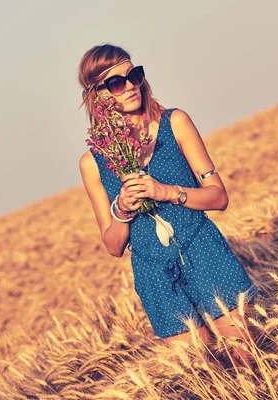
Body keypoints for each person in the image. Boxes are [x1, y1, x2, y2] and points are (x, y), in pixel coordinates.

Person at [78, 44, 260, 369]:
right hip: (155, 274)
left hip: (204, 250)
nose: (131, 85)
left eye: (134, 75)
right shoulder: (92, 164)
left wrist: (167, 191)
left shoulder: (174, 123)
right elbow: (112, 245)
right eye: (116, 82)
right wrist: (121, 209)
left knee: (248, 360)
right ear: (97, 94)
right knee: (204, 377)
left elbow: (218, 196)